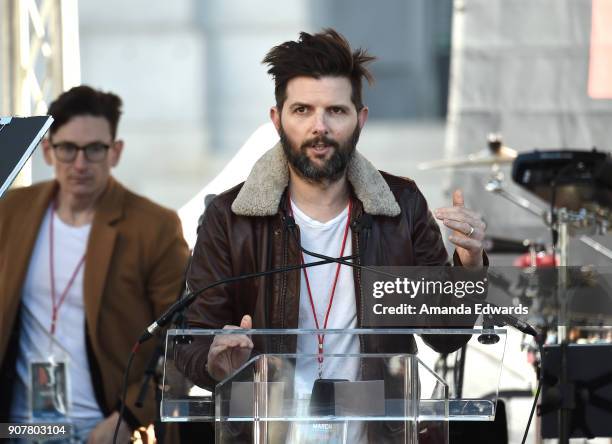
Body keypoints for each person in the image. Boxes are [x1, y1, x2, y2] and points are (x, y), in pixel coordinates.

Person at [177, 29, 487, 442]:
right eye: (302, 110)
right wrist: (215, 363)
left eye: (336, 111)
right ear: (277, 119)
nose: (318, 127)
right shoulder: (230, 217)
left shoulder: (400, 206)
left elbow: (443, 336)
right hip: (265, 432)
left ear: (360, 119)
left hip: (376, 434)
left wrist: (468, 266)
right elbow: (192, 338)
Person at [0, 86, 190, 443]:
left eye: (94, 149)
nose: (80, 164)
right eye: (68, 148)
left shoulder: (154, 226)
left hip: (103, 429)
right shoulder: (11, 212)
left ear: (115, 152)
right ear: (46, 149)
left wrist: (130, 418)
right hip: (16, 427)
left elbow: (181, 340)